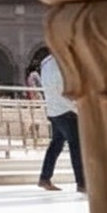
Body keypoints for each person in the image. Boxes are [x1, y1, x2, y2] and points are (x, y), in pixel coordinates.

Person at [37, 53, 85, 194]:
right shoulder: (62, 64)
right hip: (66, 112)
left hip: (53, 111)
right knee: (76, 147)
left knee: (56, 144)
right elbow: (66, 91)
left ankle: (44, 178)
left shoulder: (45, 62)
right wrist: (78, 107)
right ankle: (82, 183)